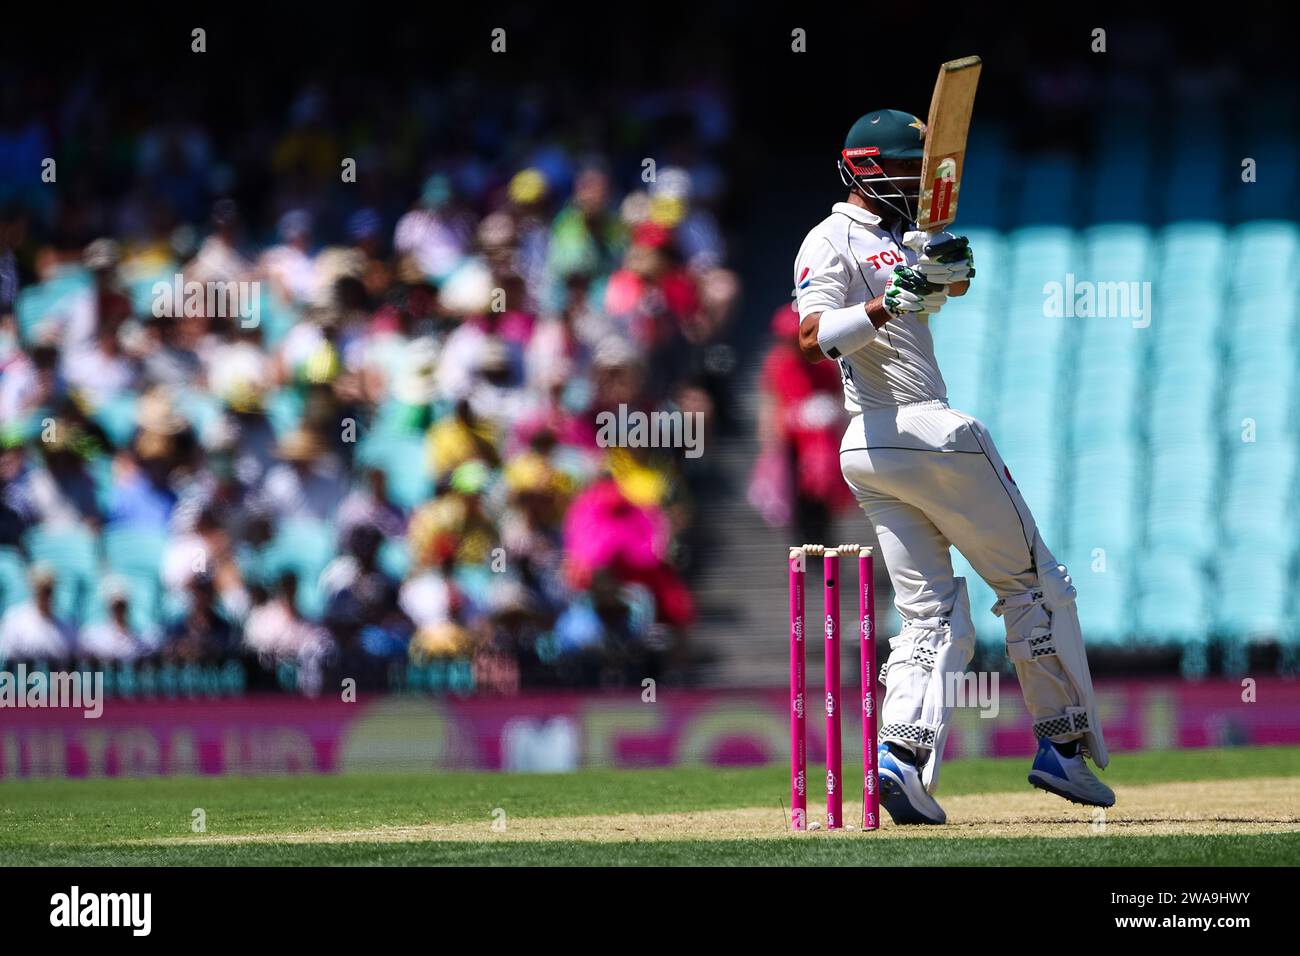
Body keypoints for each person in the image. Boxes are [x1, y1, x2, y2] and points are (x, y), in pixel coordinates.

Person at [791, 109, 1112, 824]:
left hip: (875, 452)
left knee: (933, 616)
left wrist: (939, 271)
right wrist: (889, 299)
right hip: (919, 428)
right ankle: (1062, 746)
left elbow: (935, 290)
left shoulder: (891, 239)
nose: (922, 182)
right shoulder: (829, 238)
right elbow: (812, 337)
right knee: (1037, 586)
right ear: (870, 169)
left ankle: (899, 761)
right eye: (910, 169)